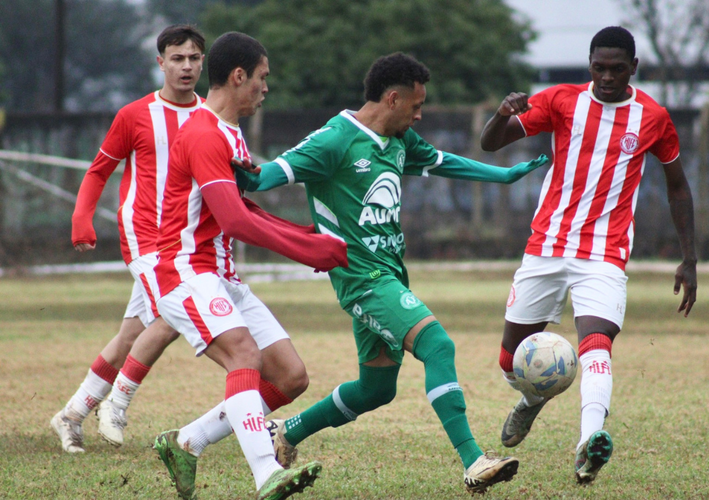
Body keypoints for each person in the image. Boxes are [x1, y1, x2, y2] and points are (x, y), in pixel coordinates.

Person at [232, 51, 549, 494]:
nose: (420, 115)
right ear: (394, 99)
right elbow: (267, 176)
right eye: (417, 106)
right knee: (438, 345)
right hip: (362, 280)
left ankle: (284, 433)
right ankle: (474, 460)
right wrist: (241, 172)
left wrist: (507, 175)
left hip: (391, 276)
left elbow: (445, 163)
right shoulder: (333, 141)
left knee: (376, 388)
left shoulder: (399, 140)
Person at [479, 26, 698, 484]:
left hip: (605, 255)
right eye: (599, 67)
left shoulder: (653, 117)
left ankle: (588, 444)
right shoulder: (562, 100)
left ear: (633, 68)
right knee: (509, 361)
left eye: (618, 69)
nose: (607, 77)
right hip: (546, 247)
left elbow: (677, 187)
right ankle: (530, 401)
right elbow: (490, 144)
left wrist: (689, 259)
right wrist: (502, 114)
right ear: (590, 65)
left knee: (595, 345)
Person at [149, 32, 347, 500]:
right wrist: (308, 252)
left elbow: (242, 209)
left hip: (220, 274)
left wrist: (309, 238)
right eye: (262, 78)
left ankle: (187, 442)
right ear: (238, 77)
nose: (265, 87)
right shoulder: (201, 132)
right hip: (184, 271)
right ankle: (266, 473)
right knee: (244, 355)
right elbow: (236, 220)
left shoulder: (229, 131)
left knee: (290, 377)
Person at [51, 24, 206, 453]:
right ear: (161, 63)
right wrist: (82, 217)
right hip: (144, 236)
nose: (186, 66)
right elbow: (100, 169)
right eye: (178, 58)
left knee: (131, 334)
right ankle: (117, 403)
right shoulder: (135, 114)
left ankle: (72, 414)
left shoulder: (210, 115)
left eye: (194, 58)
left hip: (184, 240)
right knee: (176, 313)